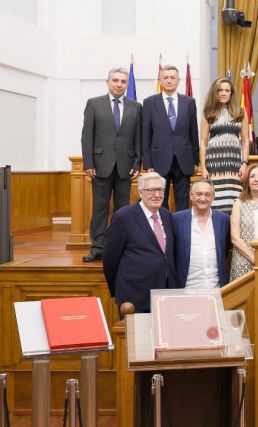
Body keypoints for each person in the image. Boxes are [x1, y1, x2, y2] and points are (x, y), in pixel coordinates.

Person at [80, 67, 142, 263]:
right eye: (115, 80)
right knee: (100, 207)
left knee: (123, 209)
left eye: (123, 81)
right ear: (108, 82)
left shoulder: (136, 107)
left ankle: (120, 246)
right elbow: (86, 136)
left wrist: (137, 162)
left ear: (127, 84)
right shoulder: (94, 104)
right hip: (100, 165)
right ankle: (98, 247)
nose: (119, 84)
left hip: (126, 166)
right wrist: (88, 162)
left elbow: (138, 138)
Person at [103, 172, 176, 313]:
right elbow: (110, 259)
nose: (157, 194)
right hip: (134, 297)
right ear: (140, 192)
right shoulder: (123, 217)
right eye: (151, 190)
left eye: (160, 190)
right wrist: (118, 291)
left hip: (165, 295)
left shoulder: (167, 216)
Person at [142, 65, 200, 211]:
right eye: (165, 77)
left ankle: (181, 233)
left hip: (184, 160)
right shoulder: (149, 103)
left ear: (178, 80)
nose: (169, 81)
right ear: (160, 80)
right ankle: (163, 232)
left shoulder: (189, 102)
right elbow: (146, 135)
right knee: (160, 201)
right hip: (158, 160)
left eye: (172, 78)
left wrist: (195, 161)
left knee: (183, 202)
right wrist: (148, 164)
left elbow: (194, 134)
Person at [199, 77, 249, 214]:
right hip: (214, 163)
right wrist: (203, 167)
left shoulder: (240, 112)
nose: (223, 93)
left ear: (231, 93)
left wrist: (244, 163)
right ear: (215, 92)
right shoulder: (208, 113)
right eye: (220, 90)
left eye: (227, 90)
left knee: (234, 199)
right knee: (216, 200)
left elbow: (245, 140)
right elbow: (203, 142)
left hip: (234, 163)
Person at [172, 180, 231, 289]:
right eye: (199, 194)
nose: (203, 198)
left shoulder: (223, 219)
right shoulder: (176, 219)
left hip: (217, 289)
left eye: (207, 194)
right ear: (191, 196)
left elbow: (225, 250)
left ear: (213, 197)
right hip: (186, 289)